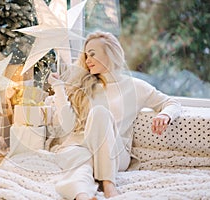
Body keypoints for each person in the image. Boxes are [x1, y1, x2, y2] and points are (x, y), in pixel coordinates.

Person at [47, 31, 181, 200]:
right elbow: (68, 124)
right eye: (86, 56)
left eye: (93, 54)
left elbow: (171, 103)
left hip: (116, 153)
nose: (87, 61)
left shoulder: (135, 86)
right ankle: (83, 196)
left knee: (100, 112)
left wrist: (165, 115)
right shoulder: (84, 86)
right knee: (81, 163)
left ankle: (108, 185)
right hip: (82, 147)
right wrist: (58, 87)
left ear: (110, 53)